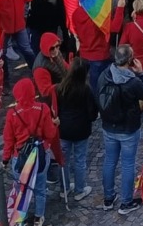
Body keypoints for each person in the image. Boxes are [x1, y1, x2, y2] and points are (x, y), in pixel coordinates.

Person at [97, 44, 143, 214]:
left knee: (110, 161)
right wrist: (142, 73)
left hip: (108, 126)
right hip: (128, 129)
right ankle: (126, 202)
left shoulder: (104, 75)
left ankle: (108, 198)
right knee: (128, 164)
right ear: (130, 60)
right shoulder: (132, 82)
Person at [2, 77, 62, 226]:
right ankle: (38, 217)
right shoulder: (43, 108)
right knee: (40, 188)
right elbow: (50, 134)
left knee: (21, 190)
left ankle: (20, 219)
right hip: (40, 154)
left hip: (20, 158)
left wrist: (5, 159)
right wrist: (55, 125)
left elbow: (8, 140)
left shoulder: (12, 113)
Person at [56, 57, 98, 201]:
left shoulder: (61, 87)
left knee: (64, 160)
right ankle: (80, 189)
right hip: (81, 130)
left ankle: (65, 188)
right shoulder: (86, 90)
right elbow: (93, 113)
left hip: (64, 129)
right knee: (80, 160)